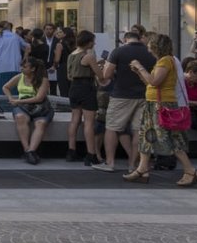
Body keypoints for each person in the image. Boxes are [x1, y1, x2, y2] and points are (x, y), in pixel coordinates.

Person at [125, 33, 197, 187]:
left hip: (162, 105)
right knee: (146, 136)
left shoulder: (165, 61)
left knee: (171, 138)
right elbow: (150, 83)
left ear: (156, 46)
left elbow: (154, 81)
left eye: (150, 43)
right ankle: (142, 169)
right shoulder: (163, 61)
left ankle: (190, 171)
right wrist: (139, 72)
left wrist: (140, 67)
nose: (147, 46)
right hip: (155, 104)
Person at [95, 30, 154, 173]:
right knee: (138, 131)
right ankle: (132, 165)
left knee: (112, 127)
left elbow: (106, 75)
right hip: (143, 95)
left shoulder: (118, 51)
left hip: (121, 95)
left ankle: (110, 163)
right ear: (140, 39)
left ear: (125, 39)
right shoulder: (149, 52)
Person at [4, 56, 52, 165]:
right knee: (20, 117)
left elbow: (39, 98)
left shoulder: (43, 80)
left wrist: (17, 101)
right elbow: (5, 87)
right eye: (21, 66)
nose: (21, 69)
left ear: (33, 69)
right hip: (23, 107)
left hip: (41, 107)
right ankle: (27, 150)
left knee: (41, 123)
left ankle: (31, 150)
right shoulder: (19, 77)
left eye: (24, 67)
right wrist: (10, 98)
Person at [65, 31, 101, 165]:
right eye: (93, 41)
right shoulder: (89, 56)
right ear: (88, 42)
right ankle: (91, 154)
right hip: (86, 88)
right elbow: (101, 75)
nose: (94, 43)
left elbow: (69, 76)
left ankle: (71, 151)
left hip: (73, 88)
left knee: (74, 120)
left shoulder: (71, 55)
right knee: (89, 122)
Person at [0, 21, 28, 96]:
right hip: (15, 66)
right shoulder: (16, 37)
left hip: (0, 67)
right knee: (14, 90)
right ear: (10, 27)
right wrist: (25, 58)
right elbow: (27, 46)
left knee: (0, 91)